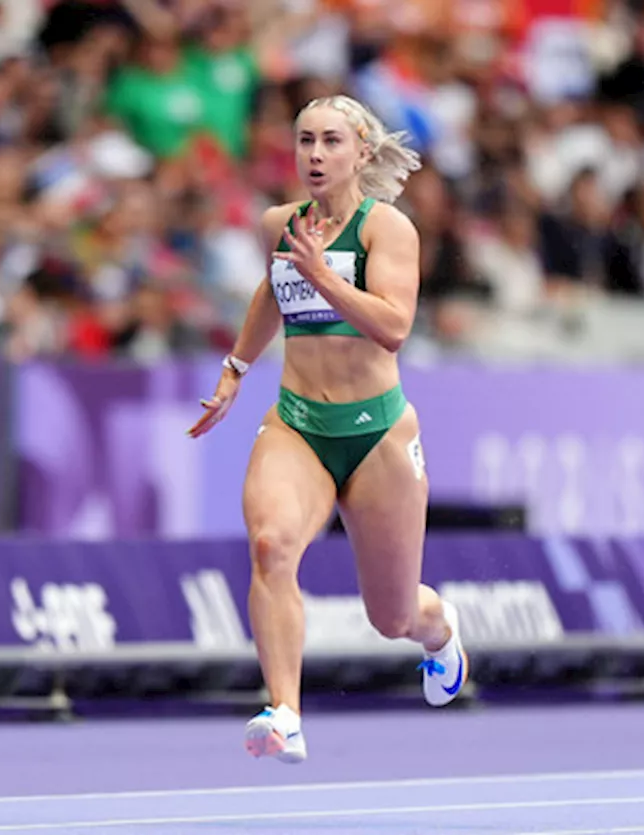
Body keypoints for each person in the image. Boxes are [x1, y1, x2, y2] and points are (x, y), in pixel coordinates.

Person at [187, 94, 466, 764]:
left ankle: (441, 629)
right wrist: (235, 367)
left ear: (361, 152)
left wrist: (323, 275)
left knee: (392, 616)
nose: (315, 154)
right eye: (306, 140)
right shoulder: (279, 224)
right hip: (298, 423)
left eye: (331, 142)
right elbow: (270, 292)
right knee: (270, 544)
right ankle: (284, 710)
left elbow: (394, 326)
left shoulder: (387, 229)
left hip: (377, 436)